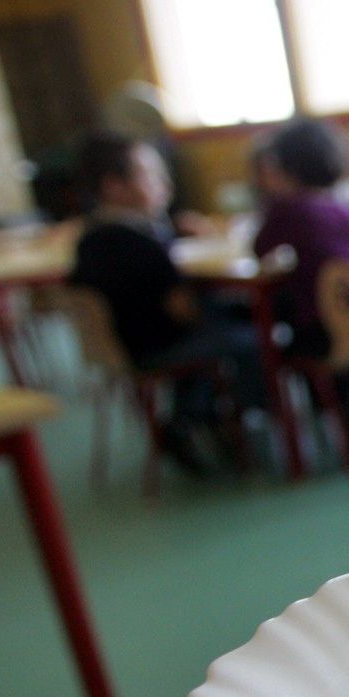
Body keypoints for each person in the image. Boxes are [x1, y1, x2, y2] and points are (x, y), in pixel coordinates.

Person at [69, 130, 260, 476]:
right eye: (150, 174)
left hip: (123, 345)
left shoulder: (92, 239)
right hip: (156, 344)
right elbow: (182, 311)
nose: (164, 182)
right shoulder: (138, 243)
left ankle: (196, 416)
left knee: (225, 322)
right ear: (114, 186)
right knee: (250, 334)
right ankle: (225, 417)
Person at [252, 118, 349, 457]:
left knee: (283, 340)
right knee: (333, 314)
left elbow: (260, 249)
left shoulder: (289, 209)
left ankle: (327, 413)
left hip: (326, 332)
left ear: (284, 168)